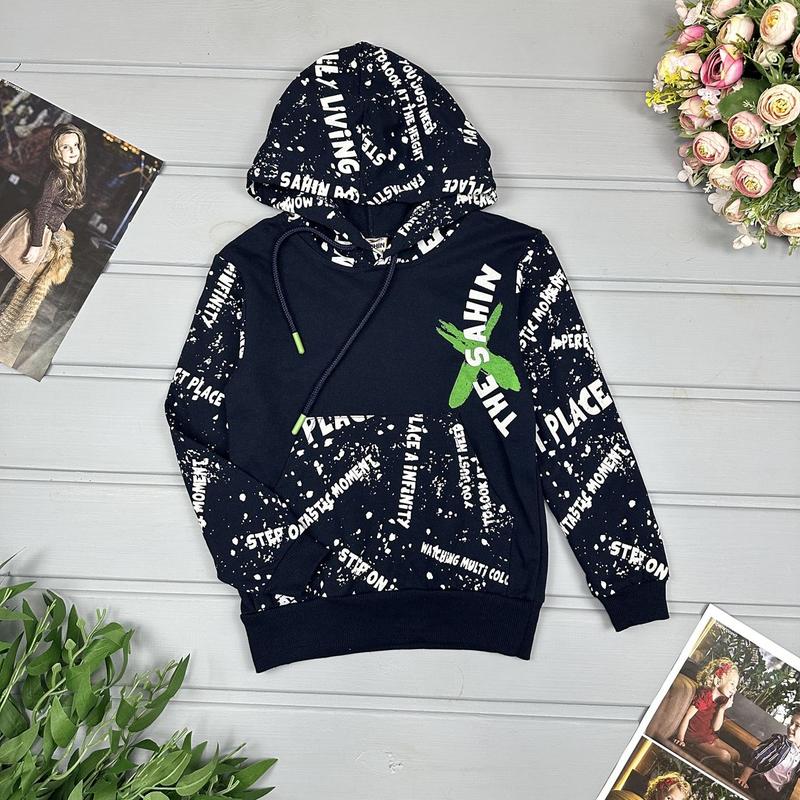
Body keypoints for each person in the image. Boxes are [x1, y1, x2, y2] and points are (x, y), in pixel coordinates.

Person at [0, 122, 85, 343]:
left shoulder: (69, 173)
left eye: (75, 145)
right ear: (56, 149)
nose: (72, 150)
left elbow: (55, 207)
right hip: (33, 231)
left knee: (14, 280)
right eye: (66, 147)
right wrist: (36, 244)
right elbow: (42, 207)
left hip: (44, 229)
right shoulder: (57, 175)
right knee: (8, 273)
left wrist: (59, 224)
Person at [672, 658, 742, 771]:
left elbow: (715, 728)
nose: (734, 689)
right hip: (696, 738)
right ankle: (734, 768)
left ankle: (735, 767)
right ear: (718, 680)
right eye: (732, 684)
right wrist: (680, 738)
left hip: (709, 736)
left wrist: (722, 709)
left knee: (736, 755)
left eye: (736, 687)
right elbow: (687, 717)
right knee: (725, 756)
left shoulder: (721, 701)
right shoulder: (705, 696)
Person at [735, 707, 800, 800]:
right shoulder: (779, 741)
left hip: (775, 794)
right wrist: (743, 779)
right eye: (791, 723)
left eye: (797, 725)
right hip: (760, 782)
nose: (791, 727)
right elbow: (757, 758)